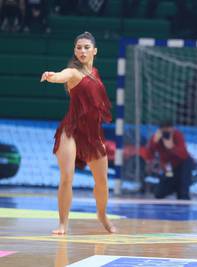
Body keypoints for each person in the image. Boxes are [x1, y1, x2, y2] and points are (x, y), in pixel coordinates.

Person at [40, 32, 116, 235]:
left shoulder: (96, 73)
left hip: (92, 134)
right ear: (74, 51)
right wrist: (52, 76)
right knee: (67, 176)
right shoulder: (73, 73)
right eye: (79, 47)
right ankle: (63, 223)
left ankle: (102, 214)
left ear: (95, 51)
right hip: (71, 130)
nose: (82, 51)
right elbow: (62, 75)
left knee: (102, 182)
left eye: (86, 47)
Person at [142, 120, 193, 200]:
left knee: (183, 192)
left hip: (183, 164)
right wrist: (154, 142)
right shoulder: (156, 138)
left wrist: (171, 147)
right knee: (159, 193)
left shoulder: (177, 135)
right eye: (164, 131)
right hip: (169, 167)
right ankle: (173, 187)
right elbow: (149, 154)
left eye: (169, 131)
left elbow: (183, 155)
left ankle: (180, 190)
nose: (166, 134)